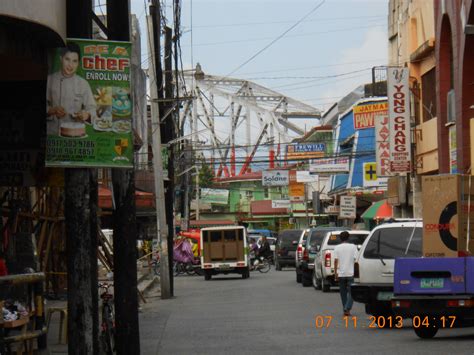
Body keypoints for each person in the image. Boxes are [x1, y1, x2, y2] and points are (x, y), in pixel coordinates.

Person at [46, 42, 96, 135]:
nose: (70, 65)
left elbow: (92, 109)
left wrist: (87, 115)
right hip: (52, 134)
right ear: (61, 59)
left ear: (78, 63)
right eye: (67, 59)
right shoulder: (50, 80)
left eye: (74, 61)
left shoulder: (83, 84)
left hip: (75, 134)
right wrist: (52, 110)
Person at [334, 231, 358, 316]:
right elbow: (356, 260)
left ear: (340, 238)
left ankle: (345, 309)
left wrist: (336, 273)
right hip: (351, 273)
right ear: (348, 238)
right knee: (352, 292)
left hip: (341, 273)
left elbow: (336, 261)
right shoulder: (353, 247)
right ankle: (347, 308)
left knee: (343, 293)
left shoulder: (337, 247)